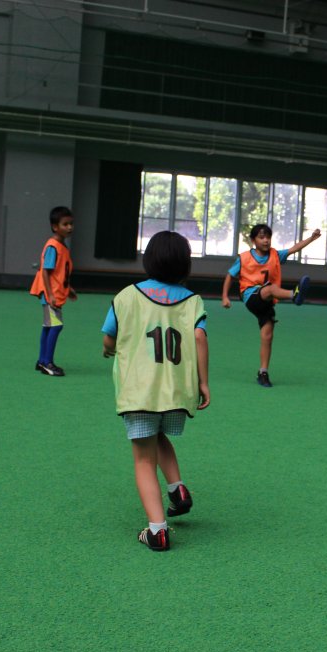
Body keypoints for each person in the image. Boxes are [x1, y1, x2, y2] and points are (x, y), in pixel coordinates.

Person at [102, 231, 210, 552]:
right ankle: (177, 489)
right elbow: (200, 339)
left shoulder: (126, 296)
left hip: (139, 392)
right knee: (158, 435)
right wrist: (203, 383)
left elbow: (110, 337)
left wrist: (109, 348)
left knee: (143, 459)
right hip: (175, 390)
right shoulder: (193, 301)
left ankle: (157, 529)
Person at [221, 224, 321, 387]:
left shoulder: (275, 255)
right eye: (261, 237)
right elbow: (230, 276)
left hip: (266, 302)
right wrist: (225, 296)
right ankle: (293, 295)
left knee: (267, 336)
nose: (266, 240)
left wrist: (311, 238)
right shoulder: (244, 257)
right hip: (251, 296)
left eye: (268, 237)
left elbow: (293, 249)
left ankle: (263, 372)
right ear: (253, 240)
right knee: (270, 289)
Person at [30, 206, 77, 377]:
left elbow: (59, 273)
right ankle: (47, 363)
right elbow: (45, 271)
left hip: (56, 292)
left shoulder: (61, 246)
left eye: (71, 224)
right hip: (51, 295)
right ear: (55, 226)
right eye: (65, 224)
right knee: (56, 327)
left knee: (49, 327)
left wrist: (68, 289)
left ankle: (42, 360)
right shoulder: (53, 246)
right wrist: (49, 294)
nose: (70, 227)